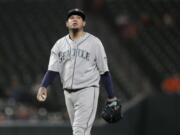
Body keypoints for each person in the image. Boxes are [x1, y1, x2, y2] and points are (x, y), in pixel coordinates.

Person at [37, 8, 118, 135]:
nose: (75, 19)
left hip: (87, 91)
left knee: (79, 131)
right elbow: (53, 70)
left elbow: (104, 72)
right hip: (68, 94)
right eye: (71, 18)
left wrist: (111, 96)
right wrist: (43, 86)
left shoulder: (95, 43)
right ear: (67, 23)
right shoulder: (59, 45)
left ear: (84, 23)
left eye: (79, 18)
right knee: (81, 131)